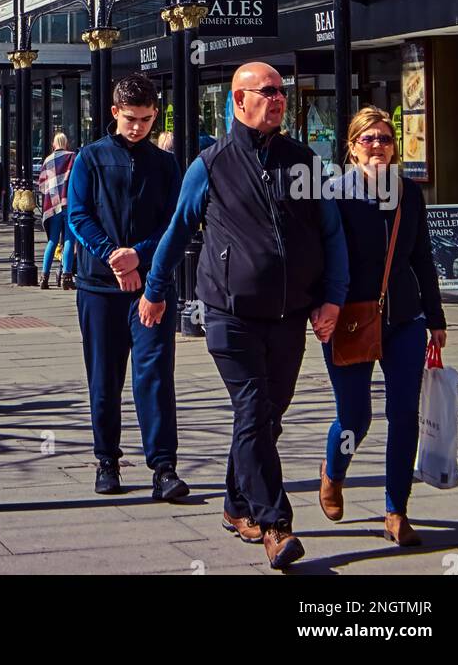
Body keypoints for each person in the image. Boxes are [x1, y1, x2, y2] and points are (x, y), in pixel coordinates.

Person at [140, 61, 349, 570]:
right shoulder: (210, 164)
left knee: (267, 417)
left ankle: (236, 503)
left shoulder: (303, 161)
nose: (279, 98)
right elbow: (176, 231)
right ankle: (276, 524)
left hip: (290, 314)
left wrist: (333, 297)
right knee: (254, 409)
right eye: (268, 91)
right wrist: (155, 290)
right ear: (239, 100)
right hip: (229, 313)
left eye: (282, 91)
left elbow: (331, 234)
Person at [318, 106, 447, 548]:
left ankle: (396, 509)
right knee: (356, 417)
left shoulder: (409, 194)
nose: (378, 146)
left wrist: (436, 318)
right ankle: (334, 470)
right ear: (352, 147)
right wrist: (320, 308)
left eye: (386, 139)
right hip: (350, 318)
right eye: (368, 139)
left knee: (404, 414)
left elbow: (423, 259)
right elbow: (320, 261)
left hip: (404, 320)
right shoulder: (333, 193)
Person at [67, 73, 188, 503]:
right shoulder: (90, 158)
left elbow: (176, 223)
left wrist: (138, 255)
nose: (138, 127)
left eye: (146, 119)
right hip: (99, 286)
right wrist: (114, 256)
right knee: (104, 377)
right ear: (115, 113)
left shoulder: (165, 163)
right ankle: (107, 460)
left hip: (151, 287)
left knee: (154, 376)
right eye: (131, 119)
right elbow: (78, 215)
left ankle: (163, 467)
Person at [37, 132, 76, 290]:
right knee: (68, 240)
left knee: (52, 241)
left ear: (54, 144)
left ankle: (44, 277)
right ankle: (67, 277)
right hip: (68, 204)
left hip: (53, 205)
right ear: (66, 143)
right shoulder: (72, 157)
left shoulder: (48, 160)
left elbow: (42, 184)